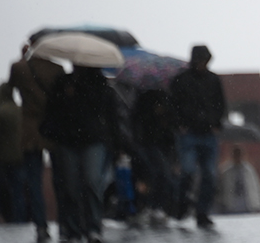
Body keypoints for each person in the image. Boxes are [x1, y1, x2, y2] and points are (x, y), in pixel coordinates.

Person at [39, 65, 121, 243]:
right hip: (68, 139)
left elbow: (105, 110)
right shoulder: (63, 82)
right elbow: (53, 109)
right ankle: (73, 229)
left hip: (93, 140)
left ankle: (93, 228)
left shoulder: (100, 83)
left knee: (92, 183)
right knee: (70, 186)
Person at [8, 44, 64, 241]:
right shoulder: (58, 69)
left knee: (34, 180)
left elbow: (11, 86)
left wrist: (23, 59)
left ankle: (41, 226)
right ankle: (65, 223)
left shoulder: (19, 67)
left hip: (30, 129)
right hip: (53, 128)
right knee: (60, 178)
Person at [169, 45, 226, 229]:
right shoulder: (181, 80)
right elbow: (173, 104)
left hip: (208, 133)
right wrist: (180, 124)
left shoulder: (213, 80)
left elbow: (221, 104)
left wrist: (217, 123)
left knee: (209, 175)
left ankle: (202, 212)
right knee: (187, 172)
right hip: (190, 134)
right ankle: (182, 204)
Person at [131, 88, 177, 226]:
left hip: (163, 143)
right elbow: (137, 120)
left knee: (161, 175)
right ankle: (152, 206)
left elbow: (172, 121)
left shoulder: (166, 98)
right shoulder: (143, 99)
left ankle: (154, 206)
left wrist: (164, 117)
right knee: (156, 174)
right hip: (148, 143)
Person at [0, 82, 25, 224]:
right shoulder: (20, 110)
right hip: (20, 158)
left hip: (0, 160)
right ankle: (19, 221)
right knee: (18, 193)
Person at [217, 145, 260, 214]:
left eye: (239, 154)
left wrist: (258, 204)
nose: (238, 157)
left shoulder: (249, 170)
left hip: (248, 206)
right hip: (231, 207)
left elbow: (255, 188)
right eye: (236, 154)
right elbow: (222, 189)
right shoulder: (226, 171)